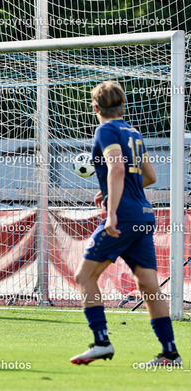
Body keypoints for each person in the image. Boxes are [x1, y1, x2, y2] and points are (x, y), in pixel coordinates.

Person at [70, 81, 181, 366]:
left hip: (125, 217)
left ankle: (101, 342)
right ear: (123, 106)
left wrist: (112, 211)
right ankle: (170, 353)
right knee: (149, 285)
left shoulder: (105, 130)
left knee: (84, 276)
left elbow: (117, 167)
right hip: (144, 214)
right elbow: (150, 177)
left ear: (95, 108)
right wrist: (111, 192)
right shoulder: (134, 132)